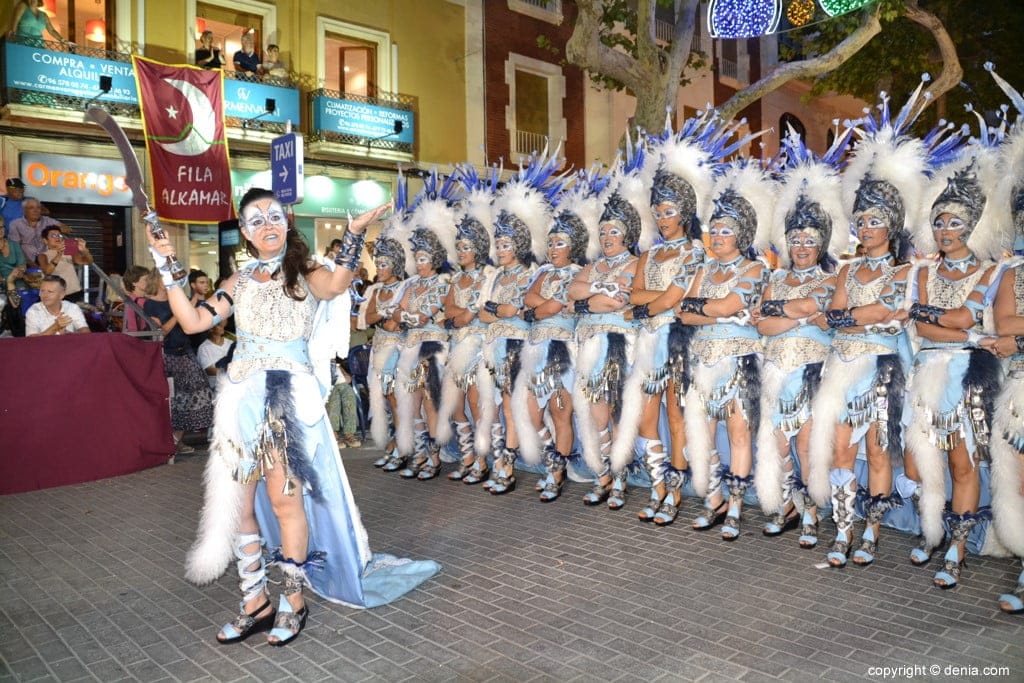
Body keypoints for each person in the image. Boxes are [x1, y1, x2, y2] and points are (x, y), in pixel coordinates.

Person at [151, 189, 437, 647]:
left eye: (274, 217)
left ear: (286, 223)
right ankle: (254, 602)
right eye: (256, 220)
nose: (267, 225)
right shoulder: (237, 280)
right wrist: (166, 267)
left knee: (285, 502)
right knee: (238, 506)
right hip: (241, 402)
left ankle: (292, 600)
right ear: (245, 232)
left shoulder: (306, 271)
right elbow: (192, 322)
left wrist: (354, 233)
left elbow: (338, 284)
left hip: (287, 404)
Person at [808, 86, 927, 569]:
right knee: (840, 449)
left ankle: (872, 532)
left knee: (878, 452)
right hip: (843, 366)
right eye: (861, 218)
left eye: (875, 219)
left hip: (883, 371)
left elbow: (883, 314)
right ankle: (843, 529)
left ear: (891, 225)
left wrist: (856, 317)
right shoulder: (847, 270)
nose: (865, 225)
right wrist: (863, 316)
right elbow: (835, 317)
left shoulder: (906, 271)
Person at [902, 156, 1005, 590]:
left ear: (973, 227)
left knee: (963, 464)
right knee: (919, 465)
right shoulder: (922, 272)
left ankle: (957, 548)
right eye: (939, 222)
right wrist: (965, 329)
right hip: (926, 374)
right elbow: (926, 328)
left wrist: (938, 317)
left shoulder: (991, 271)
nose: (945, 231)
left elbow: (962, 317)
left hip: (966, 376)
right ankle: (933, 529)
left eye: (955, 223)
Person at [752, 128, 849, 548]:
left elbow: (813, 305)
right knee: (779, 446)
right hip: (775, 370)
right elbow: (763, 325)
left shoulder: (832, 278)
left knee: (808, 446)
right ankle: (791, 506)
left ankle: (812, 512)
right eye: (796, 240)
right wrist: (797, 316)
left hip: (811, 372)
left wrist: (785, 312)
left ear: (821, 242)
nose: (802, 246)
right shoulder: (775, 278)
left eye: (810, 240)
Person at [619, 121, 710, 525]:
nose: (662, 218)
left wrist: (645, 307)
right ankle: (657, 486)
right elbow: (634, 294)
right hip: (648, 344)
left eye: (669, 212)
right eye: (658, 213)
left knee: (676, 416)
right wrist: (653, 303)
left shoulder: (695, 252)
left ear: (684, 213)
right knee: (645, 417)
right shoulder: (648, 255)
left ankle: (674, 491)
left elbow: (674, 299)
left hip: (679, 342)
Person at [680, 166, 772, 541]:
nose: (717, 237)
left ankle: (735, 507)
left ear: (741, 235)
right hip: (704, 360)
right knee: (701, 435)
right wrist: (722, 312)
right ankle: (714, 500)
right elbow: (684, 312)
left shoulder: (755, 269)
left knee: (738, 435)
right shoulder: (701, 270)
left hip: (739, 360)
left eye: (725, 231)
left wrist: (715, 310)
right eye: (714, 230)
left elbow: (725, 305)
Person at [512, 182, 595, 502]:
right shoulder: (542, 272)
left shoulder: (580, 273)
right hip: (535, 350)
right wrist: (542, 306)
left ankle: (556, 472)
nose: (553, 248)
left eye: (560, 243)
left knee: (561, 414)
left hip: (561, 352)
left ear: (573, 246)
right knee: (531, 414)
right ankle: (554, 459)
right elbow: (528, 298)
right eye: (550, 242)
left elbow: (549, 306)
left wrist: (540, 308)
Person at [390, 175, 456, 481]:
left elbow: (422, 315)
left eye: (424, 258)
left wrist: (408, 315)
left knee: (430, 402)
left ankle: (434, 456)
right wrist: (407, 314)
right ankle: (419, 453)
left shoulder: (443, 282)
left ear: (435, 258)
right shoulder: (410, 283)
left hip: (432, 348)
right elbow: (395, 312)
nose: (419, 263)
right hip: (409, 347)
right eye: (416, 258)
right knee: (410, 403)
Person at [437, 168, 495, 483]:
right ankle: (468, 455)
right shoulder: (456, 278)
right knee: (455, 405)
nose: (461, 252)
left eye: (466, 247)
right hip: (457, 345)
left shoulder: (489, 275)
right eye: (458, 247)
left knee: (476, 403)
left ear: (479, 248)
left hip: (479, 349)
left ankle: (483, 461)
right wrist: (462, 314)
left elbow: (481, 313)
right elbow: (450, 312)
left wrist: (463, 315)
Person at [142, 267, 213, 455]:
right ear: (157, 279)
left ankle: (176, 440)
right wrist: (179, 313)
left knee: (198, 393)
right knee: (173, 400)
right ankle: (171, 442)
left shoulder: (177, 300)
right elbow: (162, 332)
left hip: (185, 351)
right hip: (168, 355)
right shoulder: (150, 305)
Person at [36, 226, 92, 302]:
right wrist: (59, 254)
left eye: (59, 235)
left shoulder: (69, 248)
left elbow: (87, 262)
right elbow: (47, 271)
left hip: (73, 292)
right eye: (53, 236)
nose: (57, 237)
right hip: (55, 296)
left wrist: (84, 251)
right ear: (45, 240)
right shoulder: (43, 255)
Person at [24, 274, 90, 336]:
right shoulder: (33, 311)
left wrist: (67, 334)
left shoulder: (72, 308)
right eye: (42, 291)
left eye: (50, 292)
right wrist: (55, 327)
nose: (45, 295)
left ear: (62, 294)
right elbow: (31, 340)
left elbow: (86, 333)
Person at [9, 197, 66, 266]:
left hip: (48, 259)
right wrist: (31, 264)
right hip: (26, 260)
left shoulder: (47, 220)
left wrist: (60, 229)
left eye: (38, 208)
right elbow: (16, 248)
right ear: (24, 210)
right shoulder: (15, 224)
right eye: (31, 208)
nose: (35, 211)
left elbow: (66, 229)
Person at [197, 319, 232, 391]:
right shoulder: (204, 348)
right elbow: (208, 370)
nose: (222, 326)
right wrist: (228, 371)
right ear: (210, 329)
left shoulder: (230, 343)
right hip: (216, 386)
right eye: (218, 325)